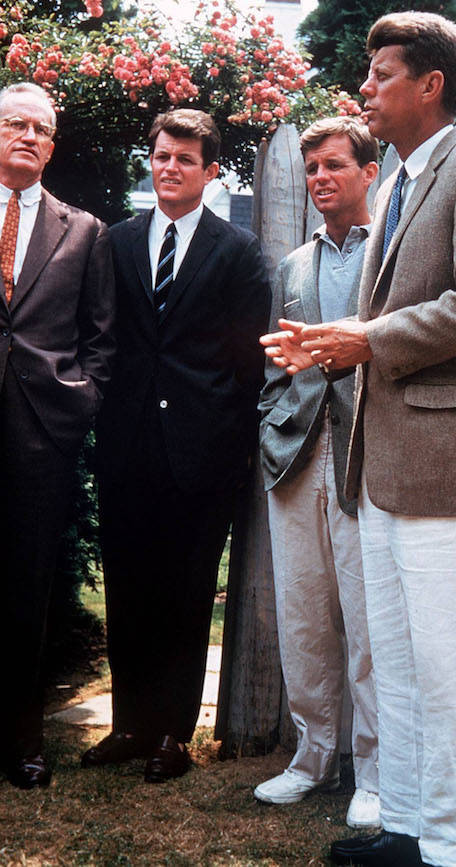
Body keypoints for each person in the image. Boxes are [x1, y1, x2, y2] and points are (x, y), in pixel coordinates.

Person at [261, 12, 456, 867]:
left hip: (447, 469)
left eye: (380, 75)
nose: (365, 90)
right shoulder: (406, 184)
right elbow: (391, 315)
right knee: (405, 664)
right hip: (376, 470)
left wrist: (367, 340)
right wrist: (332, 338)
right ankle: (410, 829)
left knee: (452, 668)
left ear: (431, 86)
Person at [82, 109, 270, 783]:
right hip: (127, 443)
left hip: (202, 450)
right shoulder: (117, 242)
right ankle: (130, 723)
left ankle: (171, 732)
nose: (170, 167)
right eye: (162, 156)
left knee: (187, 592)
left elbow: (251, 362)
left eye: (185, 159)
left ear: (210, 171)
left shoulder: (236, 250)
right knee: (130, 584)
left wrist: (232, 438)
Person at [254, 117, 380, 828]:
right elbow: (281, 362)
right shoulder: (295, 265)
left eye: (335, 165)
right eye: (312, 170)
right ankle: (311, 759)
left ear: (368, 172)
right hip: (296, 457)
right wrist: (272, 423)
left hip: (365, 457)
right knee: (303, 616)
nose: (321, 179)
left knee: (366, 623)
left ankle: (376, 770)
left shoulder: (389, 252)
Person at [0, 82, 115, 789]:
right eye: (14, 123)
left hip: (40, 432)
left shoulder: (84, 231)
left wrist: (79, 402)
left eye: (41, 128)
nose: (28, 136)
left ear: (53, 144)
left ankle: (20, 740)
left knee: (26, 589)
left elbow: (101, 339)